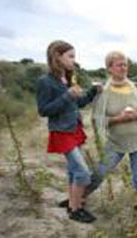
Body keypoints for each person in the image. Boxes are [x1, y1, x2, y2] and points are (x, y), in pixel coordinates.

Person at [36, 40, 101, 223]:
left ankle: (72, 201)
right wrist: (67, 95)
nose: (74, 60)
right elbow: (43, 110)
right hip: (61, 131)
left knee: (74, 170)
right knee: (82, 172)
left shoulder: (68, 77)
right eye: (70, 56)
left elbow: (78, 103)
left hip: (74, 128)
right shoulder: (45, 81)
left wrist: (92, 92)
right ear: (57, 57)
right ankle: (75, 209)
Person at [92, 51, 137, 192]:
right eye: (119, 65)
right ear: (109, 68)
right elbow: (97, 119)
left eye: (125, 65)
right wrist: (117, 119)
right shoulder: (103, 91)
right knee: (99, 173)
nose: (123, 68)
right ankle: (78, 201)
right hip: (116, 141)